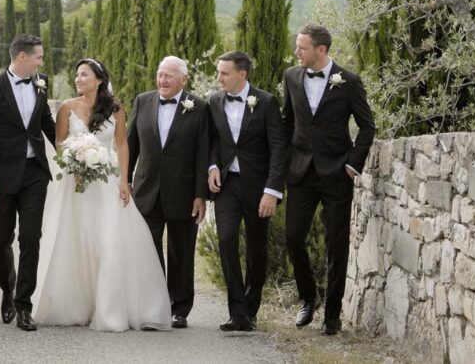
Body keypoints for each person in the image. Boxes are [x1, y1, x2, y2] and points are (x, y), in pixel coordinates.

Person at [34, 58, 171, 331]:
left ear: (98, 79)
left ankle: (110, 308)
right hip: (75, 187)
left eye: (83, 75)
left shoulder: (115, 108)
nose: (78, 79)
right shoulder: (66, 108)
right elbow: (60, 146)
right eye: (76, 75)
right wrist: (73, 162)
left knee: (108, 242)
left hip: (107, 183)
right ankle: (77, 305)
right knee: (77, 242)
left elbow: (121, 144)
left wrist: (124, 180)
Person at [282, 24, 376, 336]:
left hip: (337, 173)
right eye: (298, 47)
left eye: (302, 47)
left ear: (321, 50)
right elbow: (287, 122)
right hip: (300, 173)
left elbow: (367, 127)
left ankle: (332, 316)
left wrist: (353, 165)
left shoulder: (348, 81)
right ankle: (309, 298)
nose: (297, 52)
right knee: (293, 236)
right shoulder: (292, 77)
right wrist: (282, 163)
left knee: (337, 245)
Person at [0, 34, 56, 332]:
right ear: (22, 56)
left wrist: (72, 153)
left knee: (31, 237)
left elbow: (47, 123)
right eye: (38, 56)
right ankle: (8, 289)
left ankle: (24, 305)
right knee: (0, 240)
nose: (41, 61)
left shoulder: (41, 83)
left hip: (35, 173)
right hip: (1, 175)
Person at [207, 51, 287, 332]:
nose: (219, 78)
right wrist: (213, 166)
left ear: (242, 74)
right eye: (219, 72)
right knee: (226, 240)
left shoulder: (265, 102)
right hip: (227, 184)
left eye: (224, 73)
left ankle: (251, 309)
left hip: (258, 187)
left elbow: (278, 148)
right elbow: (214, 139)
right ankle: (236, 312)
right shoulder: (214, 101)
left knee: (256, 247)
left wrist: (272, 190)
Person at [126, 55, 209, 329]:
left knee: (182, 253)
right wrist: (124, 181)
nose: (162, 80)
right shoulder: (143, 100)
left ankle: (179, 308)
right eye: (160, 74)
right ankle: (154, 305)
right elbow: (130, 145)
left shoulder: (199, 107)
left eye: (169, 76)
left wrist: (200, 195)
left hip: (184, 193)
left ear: (183, 79)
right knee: (147, 250)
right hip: (146, 190)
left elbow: (202, 155)